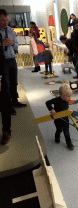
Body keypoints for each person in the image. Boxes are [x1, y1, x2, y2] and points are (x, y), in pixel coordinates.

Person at [0, 9, 26, 145]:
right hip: (2, 61)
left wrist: (12, 44)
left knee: (13, 81)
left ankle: (15, 101)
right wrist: (1, 44)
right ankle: (8, 105)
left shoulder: (10, 30)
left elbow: (16, 44)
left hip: (12, 59)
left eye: (6, 20)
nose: (5, 23)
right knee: (6, 84)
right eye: (3, 20)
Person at [45, 84, 74, 150]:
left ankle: (69, 142)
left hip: (65, 119)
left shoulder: (66, 100)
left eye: (70, 96)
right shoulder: (56, 100)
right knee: (59, 130)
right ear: (62, 96)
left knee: (66, 132)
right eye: (68, 96)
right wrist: (52, 109)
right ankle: (57, 137)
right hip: (58, 119)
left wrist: (69, 113)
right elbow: (47, 103)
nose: (70, 98)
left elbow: (66, 109)